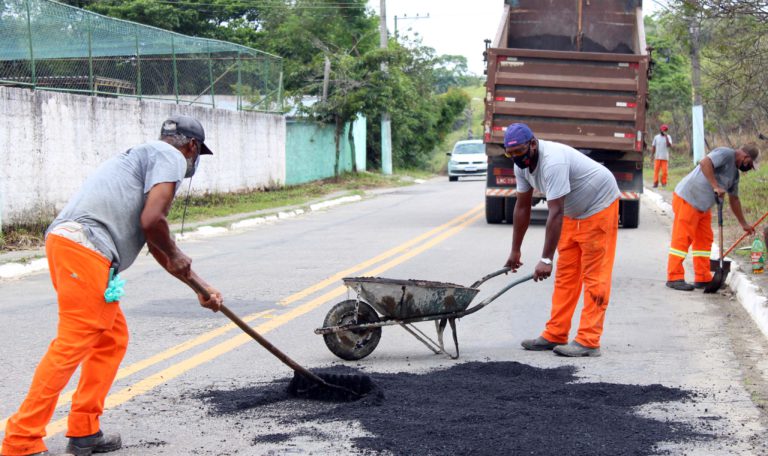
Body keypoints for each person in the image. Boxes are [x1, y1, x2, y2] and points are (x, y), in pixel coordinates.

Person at [1, 115, 224, 456]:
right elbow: (153, 222)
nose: (193, 162)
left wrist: (200, 287)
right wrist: (183, 262)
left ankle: (85, 430)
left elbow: (156, 243)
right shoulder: (171, 157)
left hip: (77, 246)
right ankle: (21, 439)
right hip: (85, 248)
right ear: (192, 146)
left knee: (111, 339)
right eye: (196, 154)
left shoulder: (145, 158)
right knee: (72, 343)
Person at [503, 123, 620, 358]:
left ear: (533, 144)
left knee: (595, 276)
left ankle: (589, 340)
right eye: (510, 154)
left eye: (519, 151)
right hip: (572, 214)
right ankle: (556, 333)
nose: (516, 158)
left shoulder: (553, 161)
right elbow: (522, 207)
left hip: (599, 206)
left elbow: (555, 212)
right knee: (566, 275)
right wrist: (515, 250)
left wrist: (546, 259)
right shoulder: (521, 167)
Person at [666, 144, 759, 291]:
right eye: (750, 164)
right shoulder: (726, 153)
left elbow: (734, 199)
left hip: (703, 206)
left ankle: (702, 277)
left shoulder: (735, 175)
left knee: (704, 240)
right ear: (745, 157)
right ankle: (674, 277)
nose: (748, 168)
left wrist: (743, 224)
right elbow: (705, 163)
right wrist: (715, 186)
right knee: (682, 238)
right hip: (688, 198)